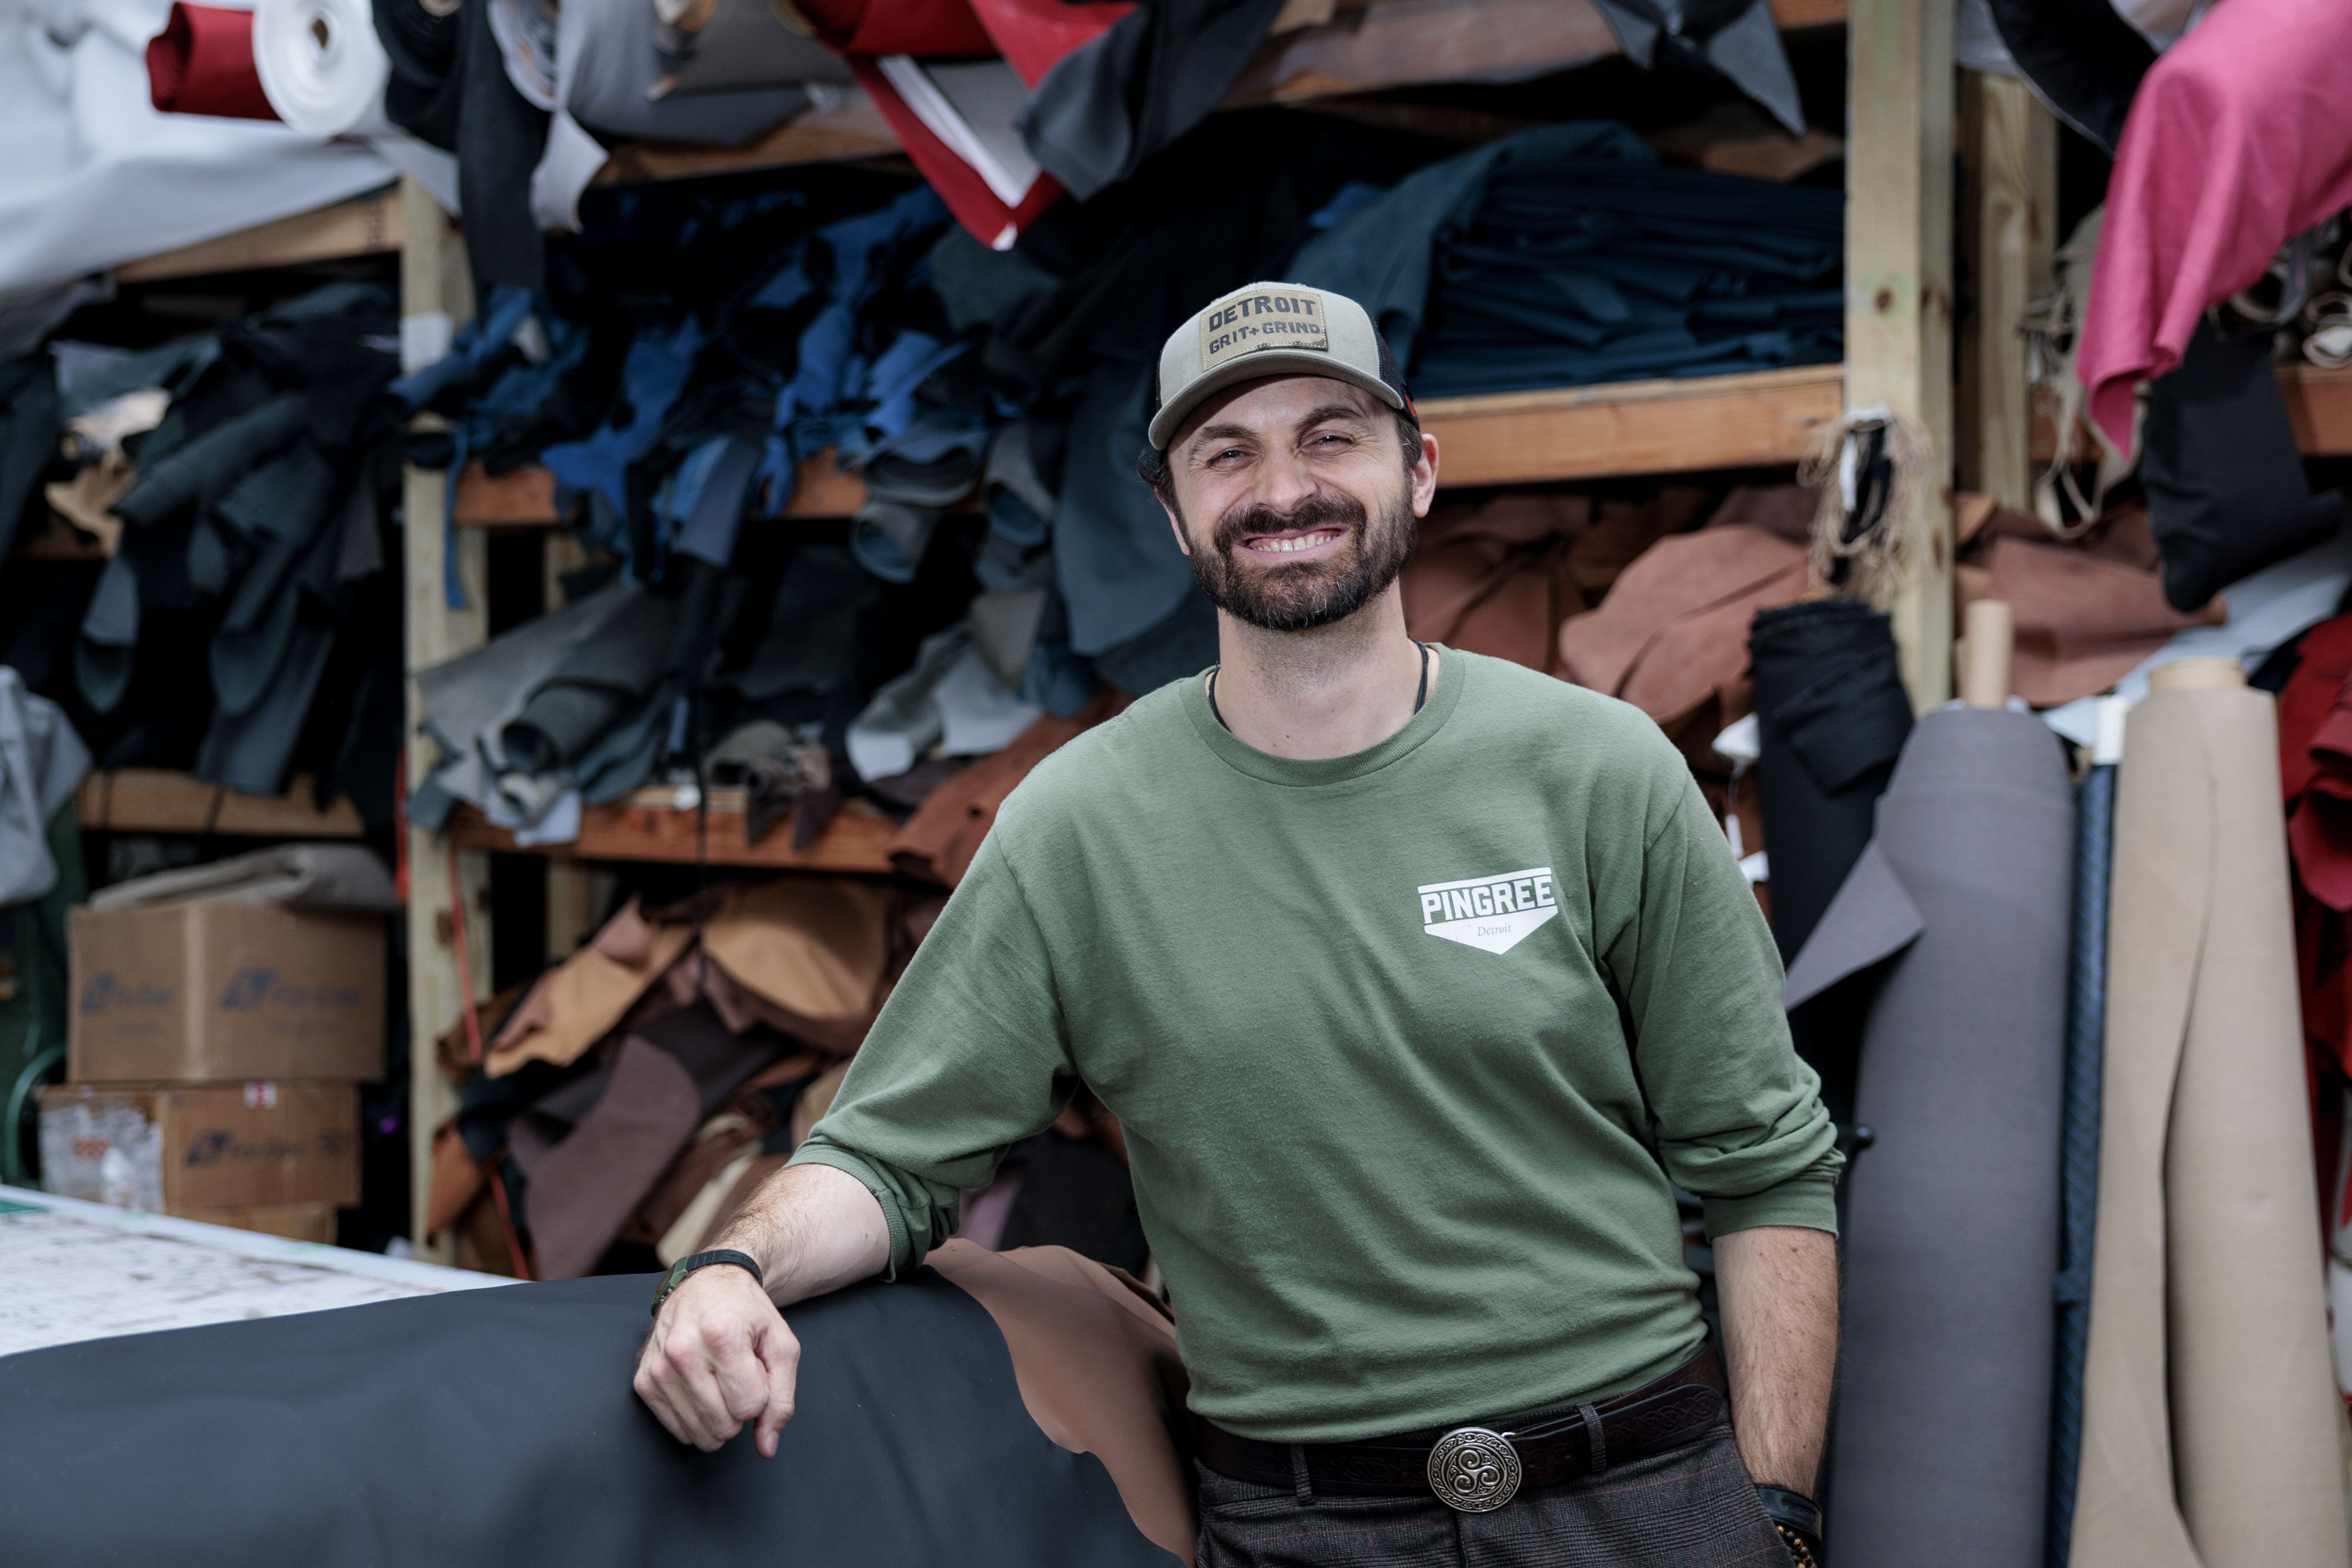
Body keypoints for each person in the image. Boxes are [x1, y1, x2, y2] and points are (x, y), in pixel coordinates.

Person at [633, 281, 1842, 1567]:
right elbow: (888, 1161)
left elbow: (1765, 1164)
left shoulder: (1599, 770)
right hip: (1303, 1529)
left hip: (1642, 1500)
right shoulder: (1079, 824)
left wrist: (1777, 1520)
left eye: (1330, 435)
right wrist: (728, 1270)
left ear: (1418, 469)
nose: (1282, 489)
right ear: (1170, 512)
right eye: (1226, 453)